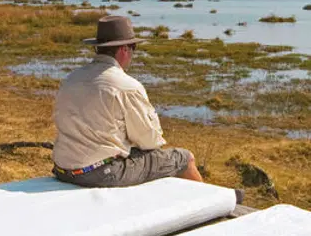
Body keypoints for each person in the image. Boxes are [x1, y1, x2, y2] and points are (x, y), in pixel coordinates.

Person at [52, 15, 203, 187]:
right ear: (124, 49)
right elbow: (150, 141)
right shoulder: (126, 86)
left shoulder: (71, 78)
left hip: (63, 170)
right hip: (101, 173)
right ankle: (214, 205)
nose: (132, 54)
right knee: (183, 158)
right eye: (133, 48)